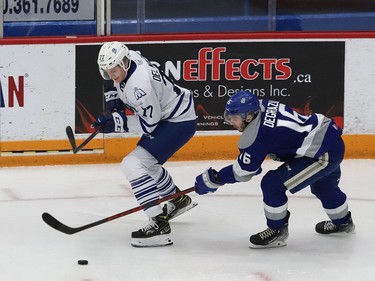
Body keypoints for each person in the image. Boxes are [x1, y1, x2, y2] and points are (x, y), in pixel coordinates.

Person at [195, 90, 355, 249]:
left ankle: (277, 230)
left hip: (321, 154)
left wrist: (215, 179)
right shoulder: (263, 105)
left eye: (235, 118)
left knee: (272, 184)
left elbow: (243, 172)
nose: (231, 122)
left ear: (249, 117)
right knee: (325, 188)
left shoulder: (258, 135)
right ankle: (344, 223)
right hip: (327, 137)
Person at [93, 41, 197, 247]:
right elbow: (116, 83)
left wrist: (116, 123)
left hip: (177, 122)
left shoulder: (139, 87)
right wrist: (114, 100)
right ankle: (178, 200)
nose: (111, 76)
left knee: (132, 164)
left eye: (114, 71)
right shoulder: (129, 57)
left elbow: (150, 124)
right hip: (175, 113)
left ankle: (159, 224)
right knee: (147, 164)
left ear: (123, 63)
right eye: (107, 72)